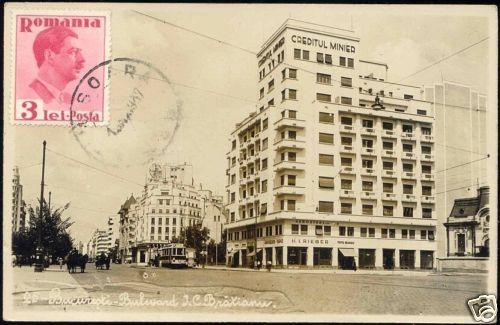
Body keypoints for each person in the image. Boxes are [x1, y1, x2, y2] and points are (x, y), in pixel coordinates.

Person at [27, 26, 85, 107]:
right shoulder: (29, 96)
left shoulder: (70, 100)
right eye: (73, 52)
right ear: (49, 56)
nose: (82, 59)